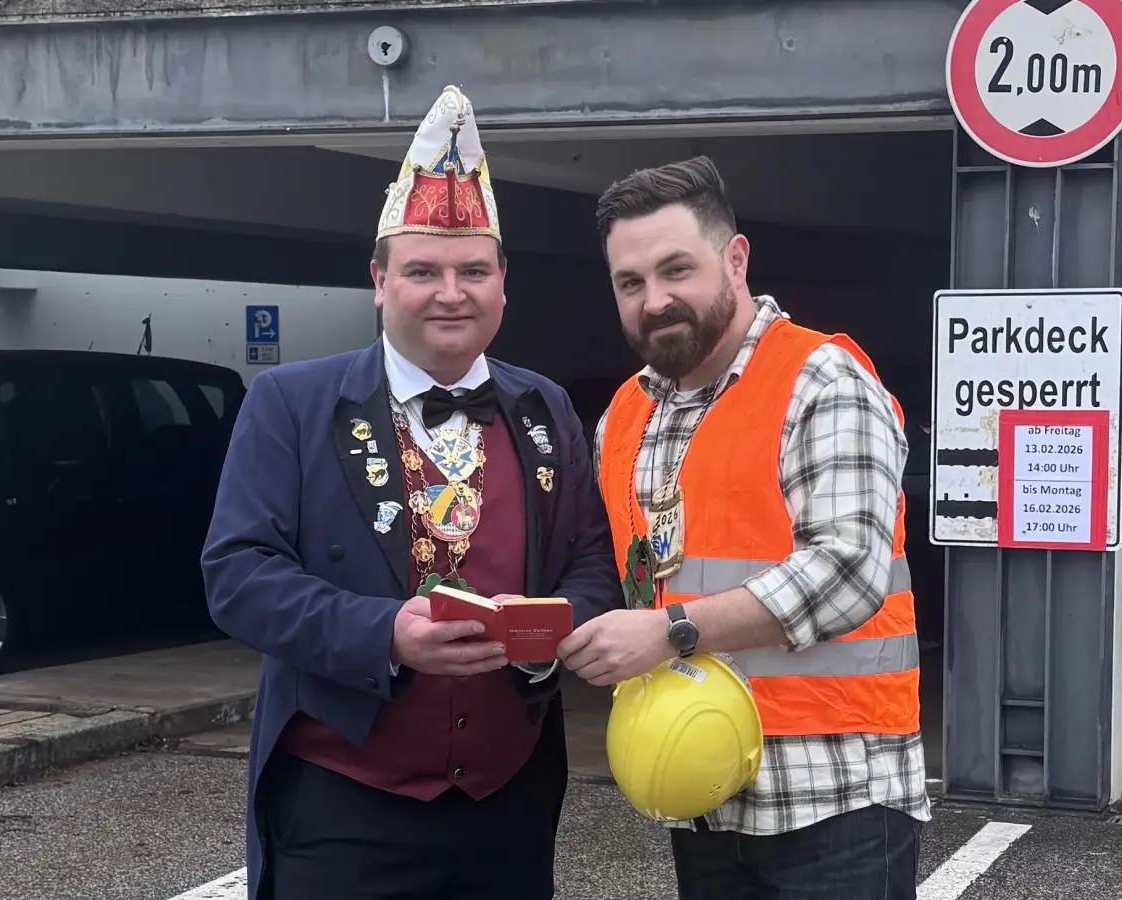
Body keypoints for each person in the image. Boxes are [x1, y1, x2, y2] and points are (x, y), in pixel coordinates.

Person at [200, 85, 621, 900]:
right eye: (422, 270)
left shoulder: (546, 407)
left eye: (472, 270)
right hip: (341, 795)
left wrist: (557, 627)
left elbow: (591, 561)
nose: (449, 292)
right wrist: (384, 633)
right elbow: (238, 575)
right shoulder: (289, 403)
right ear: (379, 281)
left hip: (509, 797)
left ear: (503, 282)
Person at [557, 155, 930, 899]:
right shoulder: (627, 415)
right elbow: (625, 573)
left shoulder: (821, 380)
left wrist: (669, 633)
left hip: (836, 798)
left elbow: (847, 571)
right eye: (629, 283)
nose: (654, 299)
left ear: (735, 259)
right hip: (700, 790)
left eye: (675, 271)